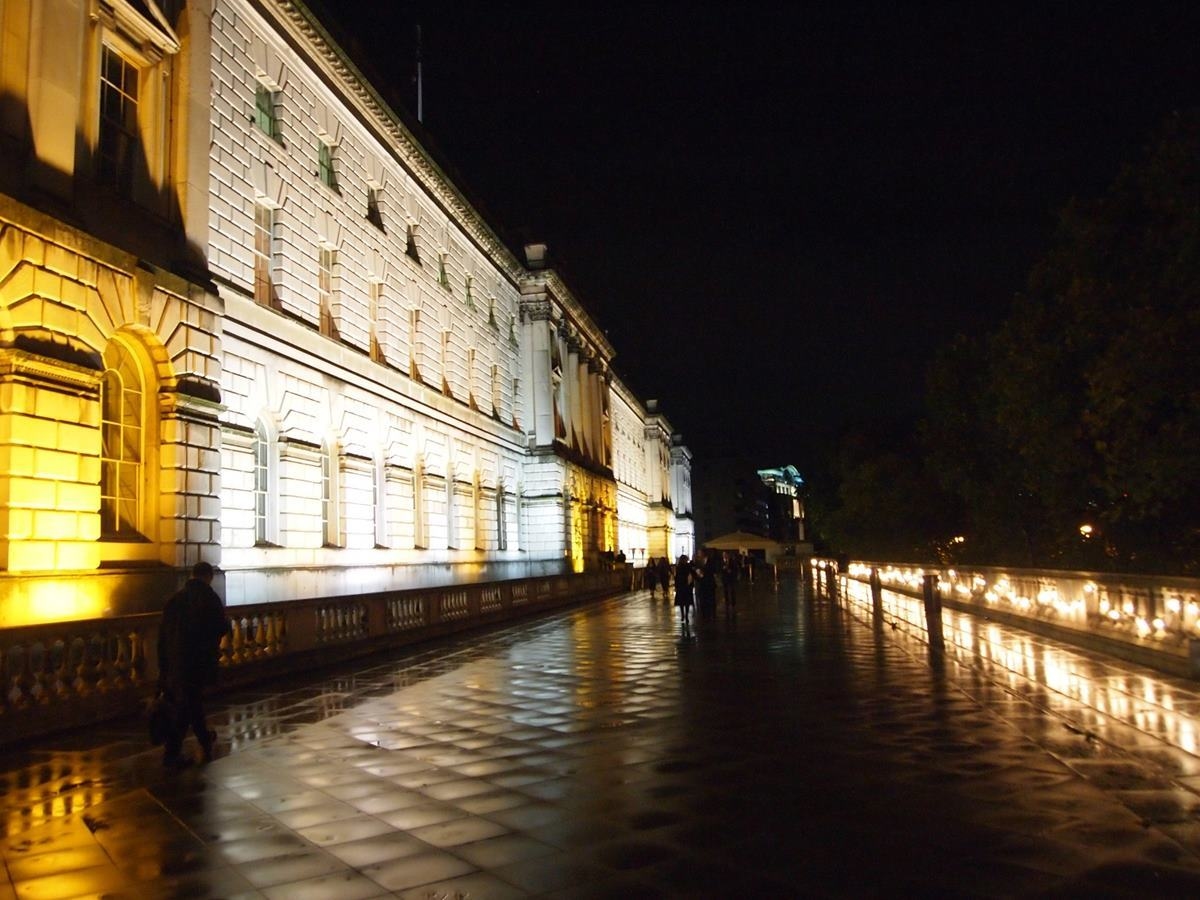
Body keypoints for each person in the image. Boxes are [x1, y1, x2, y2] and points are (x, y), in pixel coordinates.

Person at [157, 561, 229, 767]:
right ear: (209, 577)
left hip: (176, 660)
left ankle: (203, 737)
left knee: (191, 701)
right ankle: (172, 751)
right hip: (198, 660)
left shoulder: (176, 599)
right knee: (188, 704)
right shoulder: (209, 598)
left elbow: (163, 635)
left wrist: (164, 662)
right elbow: (220, 627)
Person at [674, 554, 694, 629]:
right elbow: (691, 575)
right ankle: (685, 615)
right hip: (686, 586)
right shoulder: (687, 566)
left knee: (682, 602)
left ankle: (683, 615)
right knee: (686, 602)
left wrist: (676, 586)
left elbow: (676, 577)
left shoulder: (678, 567)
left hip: (681, 586)